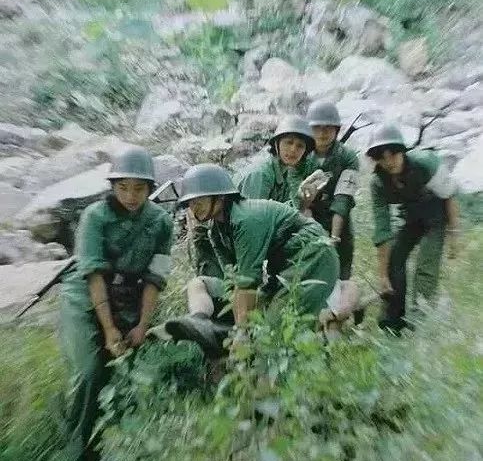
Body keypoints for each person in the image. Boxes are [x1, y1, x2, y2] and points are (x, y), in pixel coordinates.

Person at [59, 148, 174, 461]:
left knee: (123, 368)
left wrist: (142, 325)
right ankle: (76, 458)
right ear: (113, 186)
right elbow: (94, 275)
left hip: (129, 297)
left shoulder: (161, 222)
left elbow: (155, 277)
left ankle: (117, 449)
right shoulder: (95, 217)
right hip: (84, 296)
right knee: (87, 371)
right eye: (123, 187)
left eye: (139, 188)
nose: (131, 195)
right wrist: (109, 330)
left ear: (150, 189)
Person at [165, 163, 350, 357]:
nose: (195, 207)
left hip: (314, 257)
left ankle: (319, 353)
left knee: (272, 334)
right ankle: (200, 322)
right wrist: (239, 328)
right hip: (281, 269)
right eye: (191, 202)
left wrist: (242, 332)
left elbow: (247, 282)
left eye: (200, 200)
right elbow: (233, 281)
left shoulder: (246, 219)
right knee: (198, 284)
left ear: (220, 197)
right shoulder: (216, 232)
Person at [366, 124, 459, 334]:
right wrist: (382, 275)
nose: (389, 161)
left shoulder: (426, 163)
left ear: (403, 152)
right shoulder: (378, 183)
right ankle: (392, 321)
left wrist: (454, 237)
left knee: (425, 267)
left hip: (436, 218)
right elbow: (382, 230)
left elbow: (450, 196)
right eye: (381, 156)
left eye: (393, 153)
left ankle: (419, 324)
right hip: (410, 219)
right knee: (394, 261)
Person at [296, 101, 360, 280]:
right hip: (308, 218)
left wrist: (334, 237)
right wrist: (309, 227)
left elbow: (343, 198)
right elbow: (297, 195)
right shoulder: (300, 154)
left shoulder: (348, 157)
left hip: (340, 225)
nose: (322, 133)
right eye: (317, 128)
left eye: (328, 128)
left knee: (341, 275)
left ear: (336, 130)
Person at [238, 115, 316, 202]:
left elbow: (286, 209)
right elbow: (253, 214)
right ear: (276, 144)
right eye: (289, 142)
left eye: (300, 146)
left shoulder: (287, 172)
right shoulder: (261, 174)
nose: (293, 149)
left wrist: (304, 199)